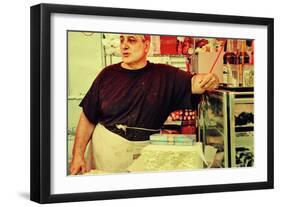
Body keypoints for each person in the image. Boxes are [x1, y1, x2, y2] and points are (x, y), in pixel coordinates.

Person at [70, 34, 219, 175]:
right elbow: (87, 117)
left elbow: (194, 83)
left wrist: (210, 79)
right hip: (106, 150)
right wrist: (77, 155)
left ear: (146, 46)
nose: (124, 46)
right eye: (122, 40)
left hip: (145, 152)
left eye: (132, 40)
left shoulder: (165, 75)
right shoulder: (107, 75)